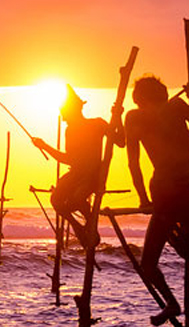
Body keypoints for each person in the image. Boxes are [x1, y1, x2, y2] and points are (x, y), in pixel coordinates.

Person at [125, 75, 189, 327]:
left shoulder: (139, 116)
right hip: (181, 190)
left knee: (152, 262)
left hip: (175, 191)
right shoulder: (171, 109)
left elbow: (133, 162)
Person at [32, 86, 124, 248]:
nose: (63, 117)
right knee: (56, 200)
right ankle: (78, 226)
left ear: (74, 110)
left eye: (65, 112)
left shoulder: (97, 124)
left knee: (76, 199)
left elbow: (121, 142)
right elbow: (69, 159)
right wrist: (43, 146)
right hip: (76, 174)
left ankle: (89, 222)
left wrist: (119, 117)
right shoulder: (70, 130)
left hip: (92, 175)